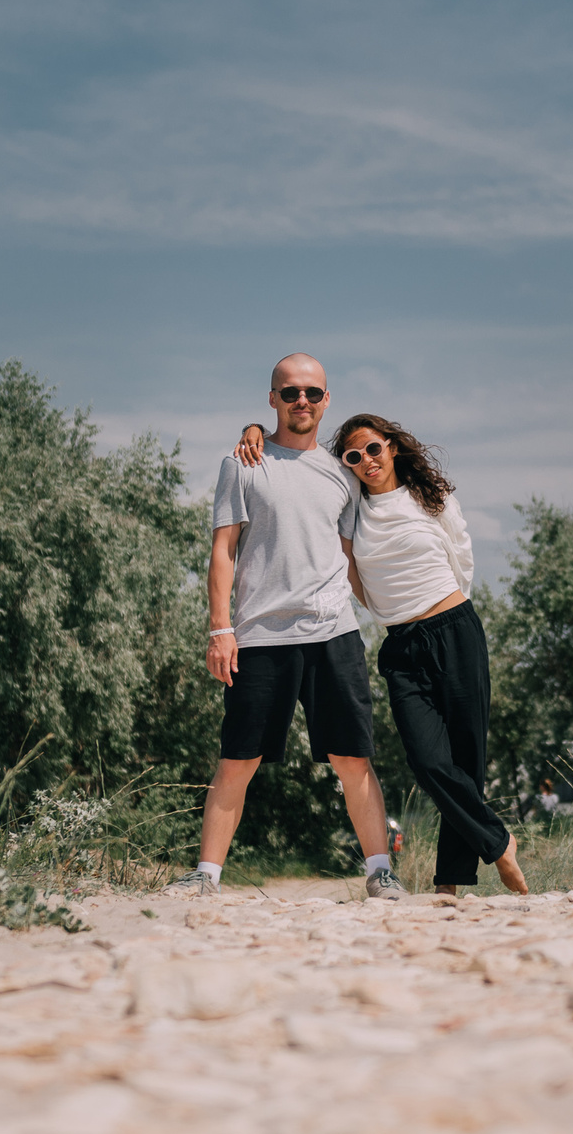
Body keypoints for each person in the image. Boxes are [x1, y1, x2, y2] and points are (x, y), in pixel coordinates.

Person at [236, 412, 529, 898]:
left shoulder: (431, 497)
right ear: (346, 464)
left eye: (373, 449)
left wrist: (449, 614)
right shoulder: (352, 505)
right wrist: (255, 432)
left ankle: (449, 886)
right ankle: (500, 843)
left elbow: (462, 555)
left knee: (467, 762)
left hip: (455, 630)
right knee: (428, 760)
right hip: (400, 645)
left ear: (391, 447)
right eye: (354, 455)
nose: (366, 461)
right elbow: (299, 458)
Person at [168, 354, 408, 901]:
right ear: (272, 398)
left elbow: (351, 556)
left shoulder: (343, 471)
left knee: (353, 757)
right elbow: (223, 551)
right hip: (260, 636)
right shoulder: (242, 464)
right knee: (238, 759)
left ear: (327, 401)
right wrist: (218, 628)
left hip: (334, 632)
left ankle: (378, 871)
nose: (303, 401)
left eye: (313, 393)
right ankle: (204, 876)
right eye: (291, 392)